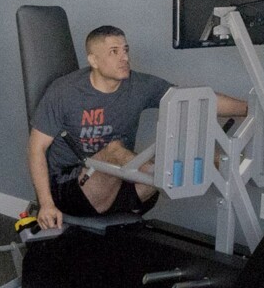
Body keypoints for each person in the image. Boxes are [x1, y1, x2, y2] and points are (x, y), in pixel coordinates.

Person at [28, 25, 247, 229]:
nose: (124, 57)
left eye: (125, 49)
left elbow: (194, 100)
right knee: (115, 149)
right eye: (114, 51)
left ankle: (175, 168)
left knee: (171, 154)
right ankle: (162, 172)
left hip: (123, 187)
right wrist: (46, 204)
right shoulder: (65, 92)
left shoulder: (140, 85)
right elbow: (37, 149)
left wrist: (252, 108)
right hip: (72, 189)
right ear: (93, 60)